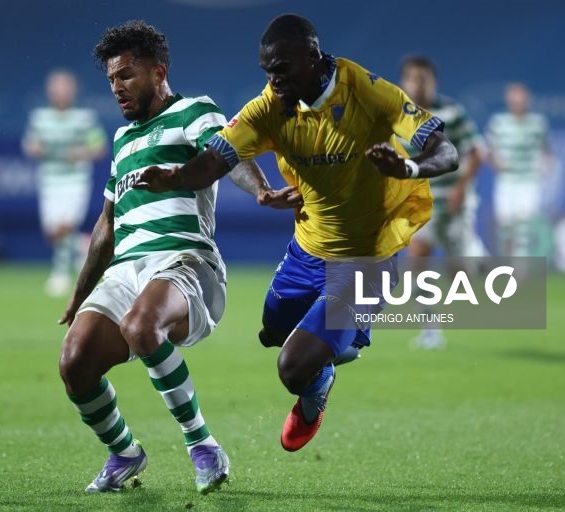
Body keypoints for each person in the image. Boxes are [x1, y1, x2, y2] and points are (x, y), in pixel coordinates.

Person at [135, 14, 458, 453]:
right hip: (306, 251)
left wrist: (409, 167)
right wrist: (175, 177)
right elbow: (214, 162)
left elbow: (446, 151)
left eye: (282, 69)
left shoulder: (366, 91)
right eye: (267, 70)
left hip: (365, 258)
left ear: (313, 56)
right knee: (273, 331)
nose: (274, 79)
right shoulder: (269, 106)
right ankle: (333, 349)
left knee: (292, 367)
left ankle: (322, 374)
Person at [57, 20, 300, 493]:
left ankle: (203, 446)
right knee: (74, 360)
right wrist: (78, 294)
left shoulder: (194, 110)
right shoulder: (122, 141)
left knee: (141, 325)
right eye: (111, 79)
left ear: (158, 72)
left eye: (126, 75)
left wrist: (262, 190)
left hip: (185, 262)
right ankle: (124, 452)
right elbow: (106, 226)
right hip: (126, 271)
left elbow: (227, 154)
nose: (117, 87)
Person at [399, 55, 487, 349]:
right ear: (404, 81)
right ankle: (430, 329)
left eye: (424, 79)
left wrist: (461, 188)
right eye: (413, 78)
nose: (418, 84)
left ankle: (477, 257)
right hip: (421, 204)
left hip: (453, 201)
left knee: (460, 274)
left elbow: (476, 151)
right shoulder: (397, 116)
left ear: (433, 81)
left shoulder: (451, 112)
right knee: (417, 261)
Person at [22, 70, 107, 296]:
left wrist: (83, 153)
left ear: (73, 91)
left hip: (75, 180)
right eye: (56, 88)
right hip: (50, 179)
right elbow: (29, 145)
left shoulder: (84, 119)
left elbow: (99, 147)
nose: (60, 92)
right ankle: (84, 245)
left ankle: (60, 274)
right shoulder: (39, 118)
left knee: (64, 226)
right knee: (52, 232)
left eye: (65, 88)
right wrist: (35, 148)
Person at [486, 83, 551, 257]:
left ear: (527, 99)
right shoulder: (498, 123)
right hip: (506, 181)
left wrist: (545, 164)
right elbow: (489, 150)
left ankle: (520, 265)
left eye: (520, 98)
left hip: (529, 181)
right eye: (513, 99)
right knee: (505, 224)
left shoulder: (538, 123)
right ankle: (508, 260)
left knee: (524, 224)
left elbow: (546, 149)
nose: (517, 102)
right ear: (508, 101)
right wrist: (496, 163)